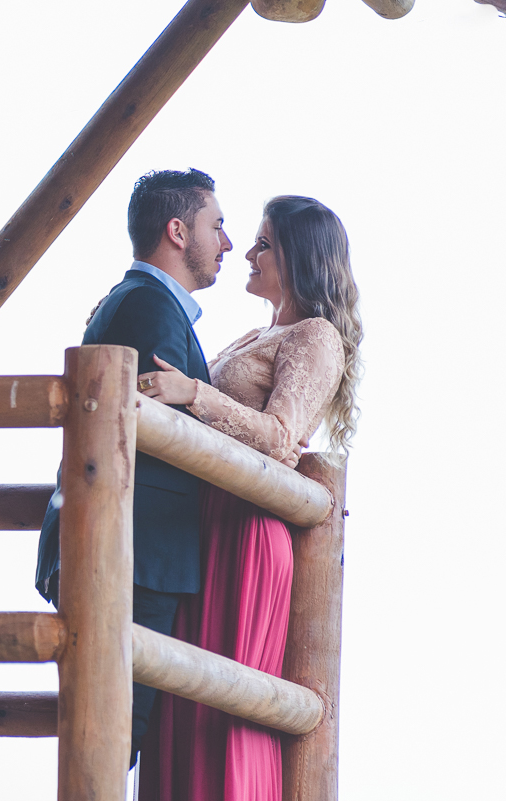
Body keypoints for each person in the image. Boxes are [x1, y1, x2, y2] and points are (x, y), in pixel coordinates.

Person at [135, 196, 362, 801]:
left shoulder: (316, 338)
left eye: (263, 243)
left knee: (228, 707)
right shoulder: (255, 334)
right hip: (206, 526)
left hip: (249, 530)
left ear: (296, 257)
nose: (248, 252)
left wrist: (194, 395)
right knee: (184, 696)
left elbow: (283, 440)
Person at [34, 167, 232, 766]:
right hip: (134, 552)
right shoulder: (149, 310)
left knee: (113, 731)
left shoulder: (138, 302)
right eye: (216, 226)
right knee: (114, 733)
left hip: (130, 547)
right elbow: (177, 431)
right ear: (177, 231)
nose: (226, 242)